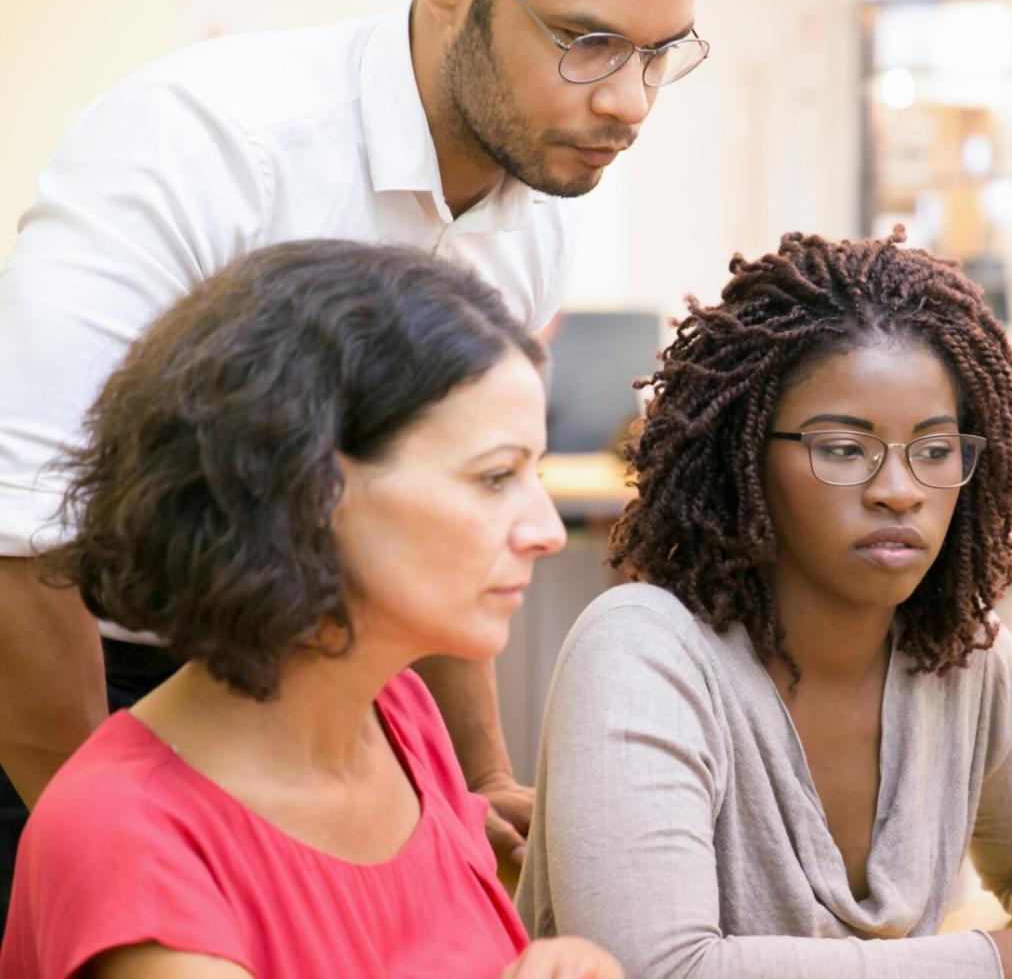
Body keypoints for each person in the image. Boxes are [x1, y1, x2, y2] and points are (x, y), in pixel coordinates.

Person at [0, 0, 707, 924]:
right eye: (586, 42)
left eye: (660, 55)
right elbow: (16, 529)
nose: (629, 102)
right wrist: (113, 845)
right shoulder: (210, 141)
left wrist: (478, 781)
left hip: (329, 691)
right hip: (79, 684)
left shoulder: (539, 203)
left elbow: (447, 527)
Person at [517, 229, 1012, 978]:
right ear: (742, 456)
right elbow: (655, 969)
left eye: (935, 450)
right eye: (844, 450)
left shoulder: (953, 650)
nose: (900, 491)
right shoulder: (641, 654)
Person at [0, 240, 622, 979]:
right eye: (495, 477)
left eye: (534, 473)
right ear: (310, 490)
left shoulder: (400, 718)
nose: (548, 530)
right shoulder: (128, 839)